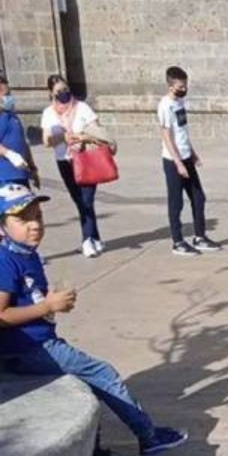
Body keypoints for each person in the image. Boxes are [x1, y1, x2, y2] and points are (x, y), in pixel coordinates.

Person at [0, 183, 188, 454]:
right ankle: (148, 437)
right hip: (30, 349)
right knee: (102, 373)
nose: (34, 225)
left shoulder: (24, 254)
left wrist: (49, 303)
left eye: (38, 216)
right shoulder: (6, 260)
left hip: (36, 343)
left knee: (87, 384)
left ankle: (95, 449)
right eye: (22, 219)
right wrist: (46, 307)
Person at [159, 66, 222, 256]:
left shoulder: (180, 103)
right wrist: (178, 162)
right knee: (176, 202)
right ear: (171, 86)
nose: (184, 89)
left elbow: (182, 132)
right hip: (173, 161)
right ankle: (177, 241)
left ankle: (200, 237)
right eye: (180, 86)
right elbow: (167, 135)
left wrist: (192, 153)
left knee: (198, 197)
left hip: (186, 157)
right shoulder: (165, 105)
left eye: (185, 85)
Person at [40, 76, 104, 258]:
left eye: (65, 89)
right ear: (51, 93)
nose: (63, 94)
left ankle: (86, 241)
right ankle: (95, 238)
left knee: (87, 200)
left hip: (86, 159)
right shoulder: (48, 114)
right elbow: (46, 141)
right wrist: (62, 138)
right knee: (79, 201)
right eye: (59, 92)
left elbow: (97, 132)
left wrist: (81, 137)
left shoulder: (82, 108)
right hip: (64, 161)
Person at [0, 75, 40, 188]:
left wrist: (32, 168)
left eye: (9, 94)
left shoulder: (12, 115)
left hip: (21, 174)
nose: (9, 98)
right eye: (6, 95)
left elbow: (23, 143)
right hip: (5, 177)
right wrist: (9, 154)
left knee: (32, 205)